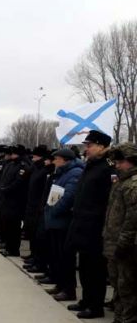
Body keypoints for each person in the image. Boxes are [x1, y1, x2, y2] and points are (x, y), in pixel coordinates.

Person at [66, 130, 114, 319]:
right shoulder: (91, 165)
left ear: (101, 146)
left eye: (89, 145)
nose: (86, 149)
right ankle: (86, 300)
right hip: (82, 223)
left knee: (96, 269)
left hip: (95, 226)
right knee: (84, 267)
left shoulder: (107, 167)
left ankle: (95, 306)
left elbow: (107, 200)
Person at [44, 149, 83, 302]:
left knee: (65, 257)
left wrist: (54, 211)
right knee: (57, 256)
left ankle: (68, 289)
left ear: (65, 160)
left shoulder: (75, 173)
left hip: (63, 221)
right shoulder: (62, 172)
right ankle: (60, 285)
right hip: (55, 220)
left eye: (57, 159)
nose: (54, 161)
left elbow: (68, 197)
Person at [104, 143, 137, 323]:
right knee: (117, 285)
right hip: (114, 243)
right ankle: (119, 318)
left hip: (125, 247)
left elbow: (132, 220)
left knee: (127, 289)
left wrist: (123, 244)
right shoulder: (121, 182)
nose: (116, 165)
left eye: (120, 161)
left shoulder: (133, 184)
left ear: (131, 161)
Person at [0, 144, 31, 257]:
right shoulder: (11, 164)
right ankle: (8, 246)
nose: (12, 155)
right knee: (7, 225)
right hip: (7, 200)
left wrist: (6, 189)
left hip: (16, 201)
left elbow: (19, 183)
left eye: (15, 153)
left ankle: (13, 249)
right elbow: (5, 179)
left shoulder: (23, 166)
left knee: (14, 227)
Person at [23, 145, 50, 264]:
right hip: (31, 203)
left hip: (38, 205)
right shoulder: (36, 168)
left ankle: (38, 258)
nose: (32, 157)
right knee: (31, 231)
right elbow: (26, 177)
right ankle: (33, 254)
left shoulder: (45, 170)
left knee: (38, 234)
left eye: (35, 155)